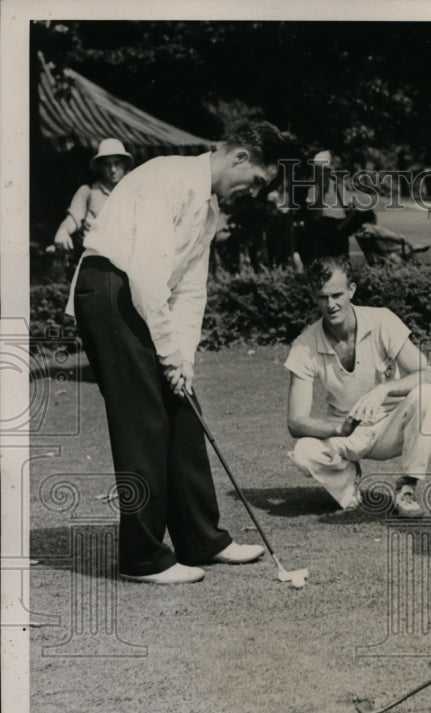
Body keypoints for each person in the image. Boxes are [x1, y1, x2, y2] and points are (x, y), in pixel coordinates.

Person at [66, 121, 299, 584]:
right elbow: (147, 276)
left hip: (139, 296)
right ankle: (142, 557)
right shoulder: (167, 178)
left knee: (183, 408)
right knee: (142, 420)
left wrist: (184, 360)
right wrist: (169, 355)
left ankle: (200, 539)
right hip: (111, 289)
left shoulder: (208, 211)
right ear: (238, 157)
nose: (254, 193)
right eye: (256, 181)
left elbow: (190, 292)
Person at [285, 257, 431, 517]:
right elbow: (296, 422)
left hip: (391, 425)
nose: (331, 305)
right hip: (348, 432)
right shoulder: (304, 345)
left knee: (429, 395)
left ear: (352, 290)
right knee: (304, 452)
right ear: (313, 296)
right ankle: (348, 481)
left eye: (337, 294)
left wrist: (383, 389)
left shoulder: (382, 320)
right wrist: (339, 428)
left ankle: (407, 486)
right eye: (322, 297)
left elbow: (428, 373)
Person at [52, 138, 133, 254]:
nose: (113, 169)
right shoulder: (88, 191)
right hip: (95, 260)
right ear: (100, 167)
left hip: (125, 260)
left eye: (117, 163)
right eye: (107, 164)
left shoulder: (133, 193)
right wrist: (63, 231)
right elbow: (73, 219)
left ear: (124, 165)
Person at [294, 149, 352, 268]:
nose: (322, 174)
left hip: (338, 227)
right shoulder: (313, 189)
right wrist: (321, 191)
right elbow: (315, 214)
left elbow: (350, 210)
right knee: (323, 265)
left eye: (325, 171)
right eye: (319, 171)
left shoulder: (338, 185)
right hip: (321, 228)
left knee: (342, 265)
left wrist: (341, 227)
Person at [344, 209, 430, 266]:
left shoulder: (360, 232)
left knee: (406, 247)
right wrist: (408, 243)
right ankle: (415, 249)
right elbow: (398, 238)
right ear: (371, 218)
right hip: (391, 256)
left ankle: (414, 248)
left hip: (378, 258)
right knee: (409, 247)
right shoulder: (374, 229)